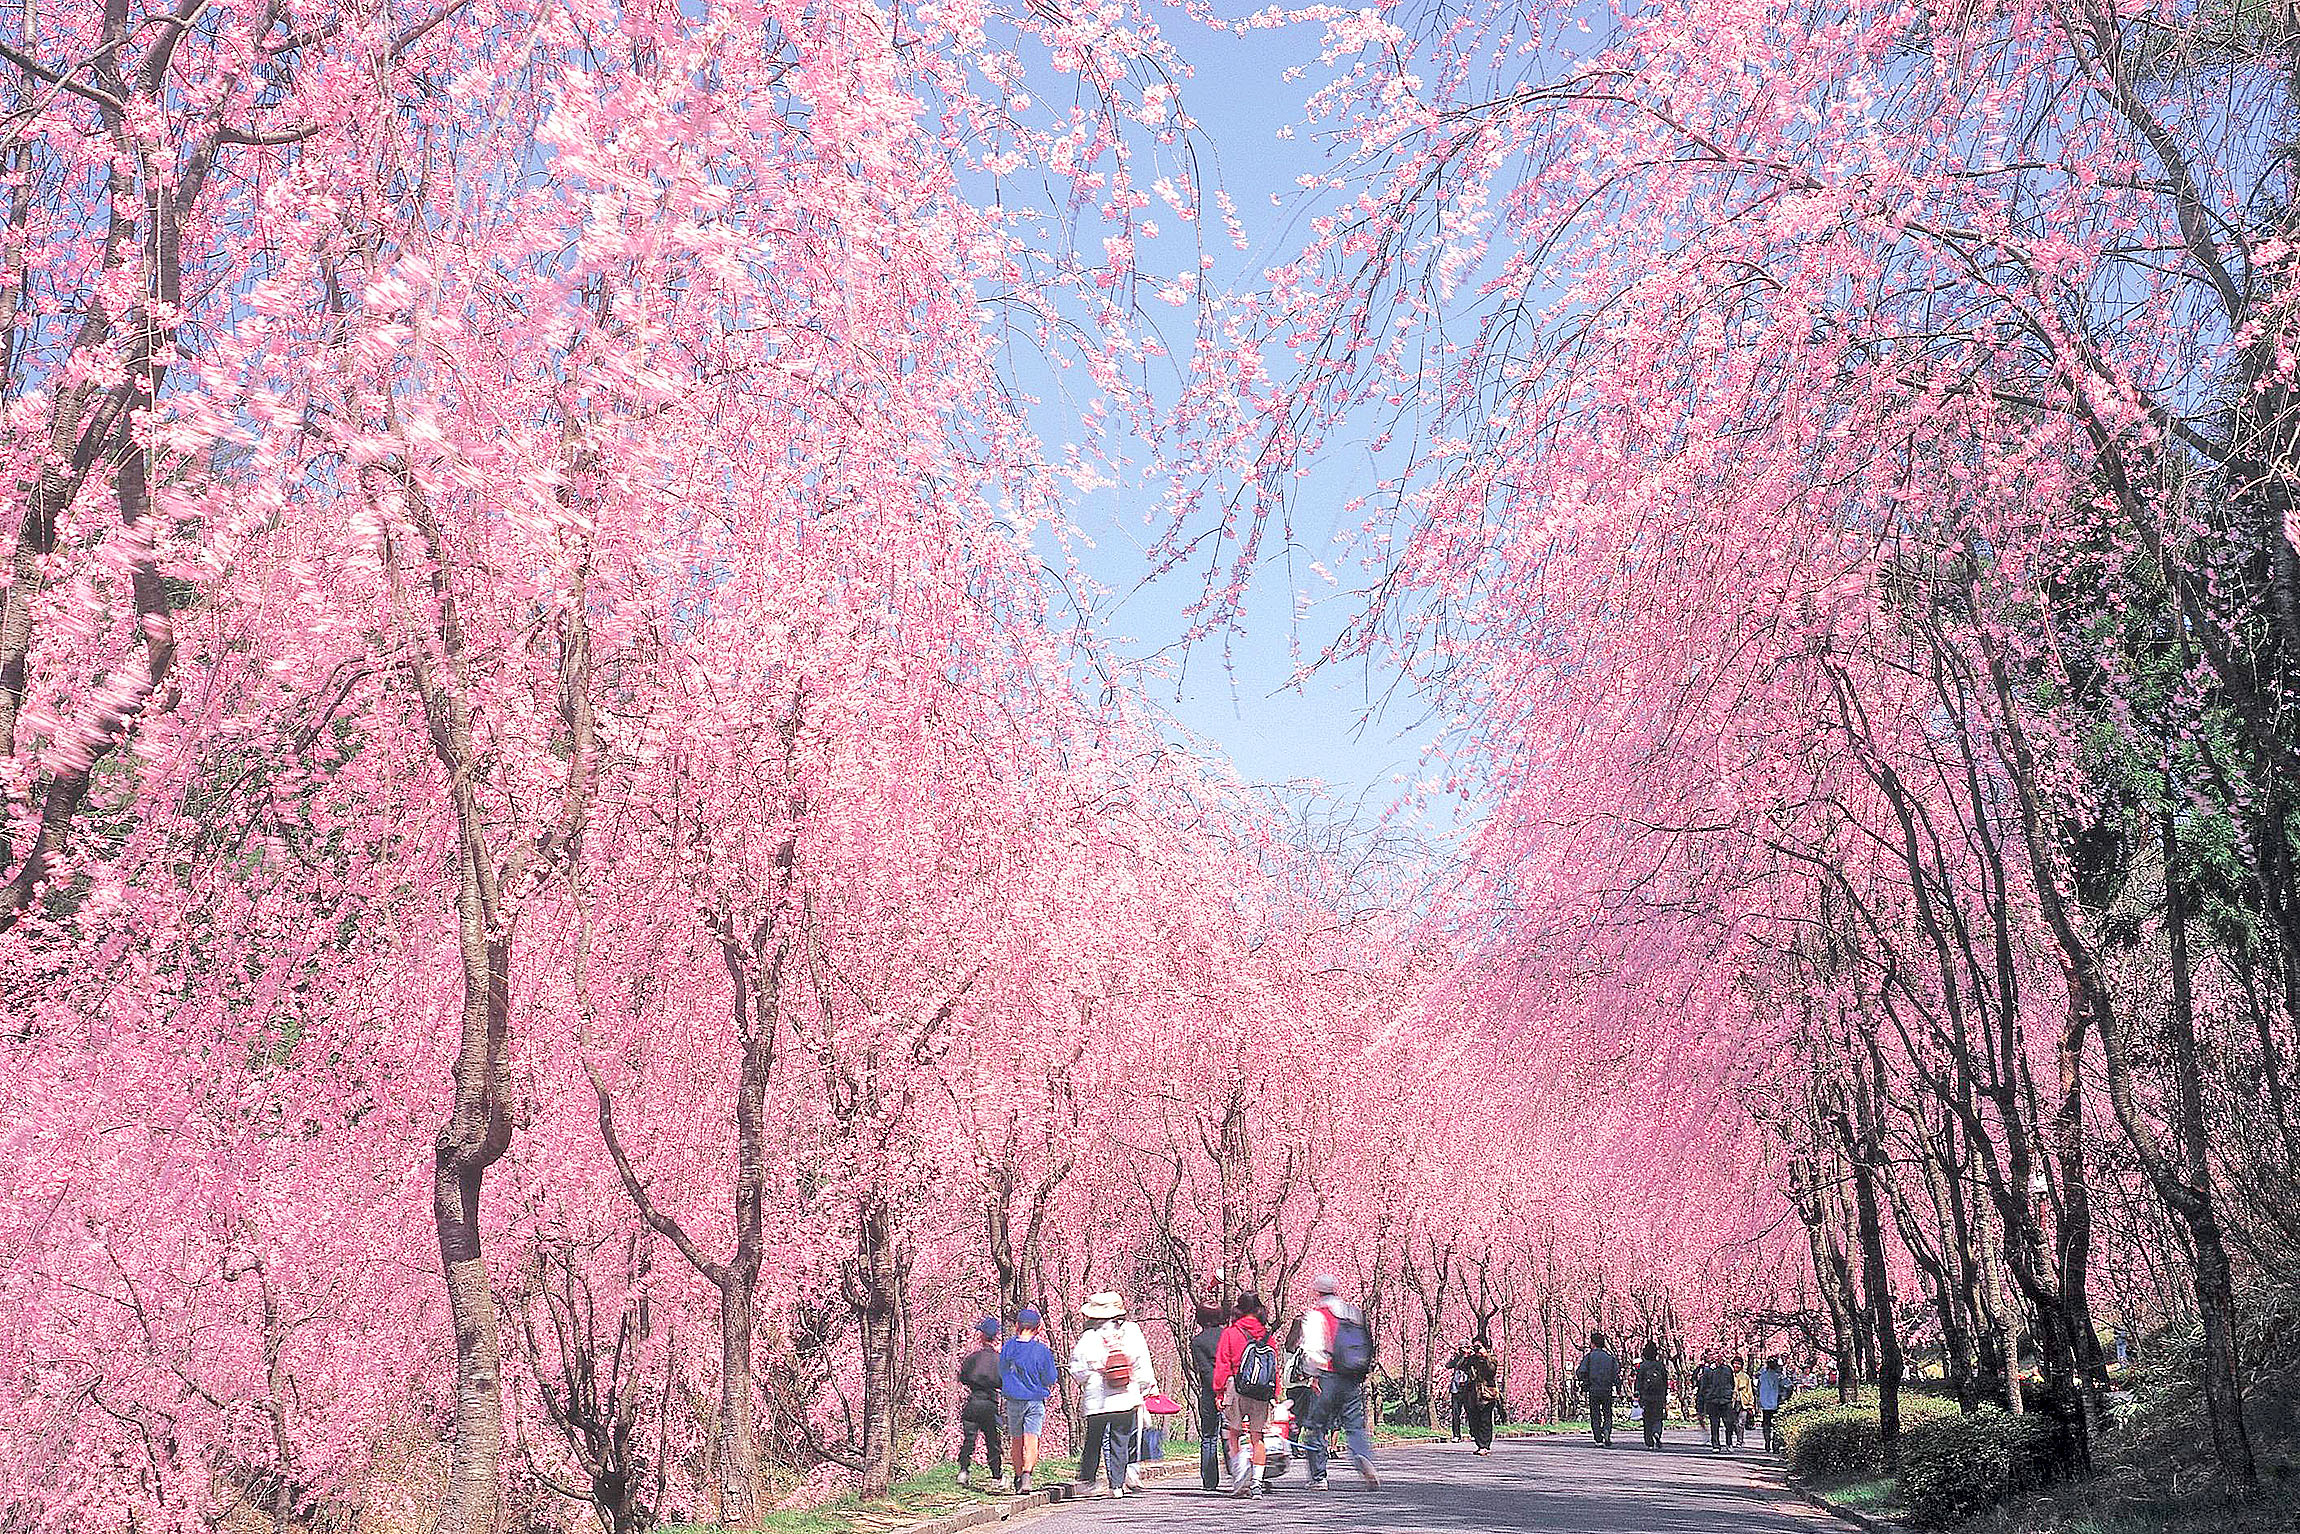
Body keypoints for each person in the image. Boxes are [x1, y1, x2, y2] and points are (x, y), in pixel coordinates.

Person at [1069, 1292, 1155, 1499]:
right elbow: (1142, 1362)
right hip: (1125, 1394)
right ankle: (1116, 1485)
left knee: (1094, 1439)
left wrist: (1091, 1376)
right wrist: (1143, 1386)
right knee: (1121, 1440)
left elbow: (1077, 1369)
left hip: (1097, 1398)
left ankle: (1087, 1480)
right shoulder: (1131, 1332)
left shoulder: (1089, 1337)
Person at [1299, 1274, 1381, 1489]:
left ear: (1317, 1292)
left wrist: (1312, 1374)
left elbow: (1312, 1350)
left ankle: (1318, 1477)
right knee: (1354, 1424)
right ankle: (1363, 1457)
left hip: (1327, 1376)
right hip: (1352, 1377)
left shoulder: (1316, 1315)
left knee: (1316, 1426)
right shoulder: (1352, 1313)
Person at [1212, 1292, 1279, 1496]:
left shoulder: (1231, 1333)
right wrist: (1275, 1393)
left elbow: (1222, 1363)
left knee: (1234, 1432)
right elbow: (1274, 1367)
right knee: (1257, 1437)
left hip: (1235, 1387)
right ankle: (1257, 1482)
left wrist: (1219, 1391)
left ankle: (1241, 1475)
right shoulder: (1267, 1335)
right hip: (1261, 1391)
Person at [999, 1307, 1059, 1493]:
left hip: (1014, 1399)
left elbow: (1002, 1371)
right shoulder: (1041, 1351)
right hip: (1035, 1399)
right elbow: (1050, 1378)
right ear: (1038, 1328)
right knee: (1031, 1439)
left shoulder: (1008, 1347)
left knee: (1016, 1440)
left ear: (1017, 1326)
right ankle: (1027, 1476)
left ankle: (1018, 1477)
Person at [957, 1317, 1005, 1488]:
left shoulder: (972, 1358)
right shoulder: (1000, 1360)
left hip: (974, 1400)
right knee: (992, 1439)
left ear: (982, 1336)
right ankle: (996, 1475)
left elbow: (963, 1377)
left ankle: (964, 1470)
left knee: (969, 1438)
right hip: (991, 1402)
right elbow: (1003, 1382)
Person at [1190, 1301, 1227, 1491]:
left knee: (1209, 1436)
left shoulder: (1198, 1342)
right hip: (1232, 1389)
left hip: (1209, 1390)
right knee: (1233, 1434)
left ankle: (1210, 1481)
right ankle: (1238, 1474)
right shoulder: (1228, 1335)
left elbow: (1205, 1370)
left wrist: (1215, 1391)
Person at [1457, 1332, 1501, 1455]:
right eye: (1475, 1346)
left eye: (1479, 1347)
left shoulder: (1491, 1357)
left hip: (1487, 1393)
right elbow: (1459, 1367)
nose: (1476, 1349)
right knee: (1473, 1420)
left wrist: (1485, 1356)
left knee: (1485, 1420)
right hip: (1472, 1394)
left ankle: (1484, 1445)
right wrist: (1465, 1356)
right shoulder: (1472, 1358)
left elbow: (1491, 1371)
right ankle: (1479, 1443)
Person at [1574, 1330, 1621, 1448]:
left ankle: (1598, 1438)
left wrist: (1585, 1381)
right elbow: (1616, 1374)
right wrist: (1618, 1388)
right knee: (1607, 1413)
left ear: (1593, 1344)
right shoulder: (1610, 1358)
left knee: (1595, 1414)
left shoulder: (1589, 1357)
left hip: (1593, 1389)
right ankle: (1606, 1430)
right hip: (1607, 1389)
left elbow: (1581, 1371)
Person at [1632, 1340, 1669, 1449]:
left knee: (1647, 1419)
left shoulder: (1642, 1366)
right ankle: (1657, 1432)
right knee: (1658, 1417)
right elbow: (1665, 1381)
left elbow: (1638, 1381)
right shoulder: (1660, 1365)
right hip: (1658, 1395)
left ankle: (1649, 1442)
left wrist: (1637, 1393)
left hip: (1646, 1396)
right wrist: (1664, 1394)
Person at [1694, 1351, 1734, 1451]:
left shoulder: (1728, 1369)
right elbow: (1704, 1386)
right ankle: (1715, 1444)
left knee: (1728, 1423)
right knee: (1714, 1423)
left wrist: (1729, 1393)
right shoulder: (1708, 1370)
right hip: (1713, 1399)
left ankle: (1729, 1443)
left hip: (1725, 1399)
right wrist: (1705, 1397)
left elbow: (1732, 1383)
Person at [1756, 1355, 1789, 1454]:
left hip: (1765, 1403)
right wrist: (1784, 1397)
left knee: (1766, 1424)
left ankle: (1767, 1443)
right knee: (1776, 1425)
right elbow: (1789, 1386)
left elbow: (1758, 1389)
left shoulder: (1763, 1376)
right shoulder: (1779, 1376)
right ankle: (1775, 1445)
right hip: (1776, 1403)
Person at [1729, 1356, 1756, 1449]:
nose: (1736, 1365)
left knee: (1741, 1422)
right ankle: (1732, 1439)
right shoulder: (1729, 1375)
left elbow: (1750, 1391)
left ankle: (1740, 1440)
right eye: (1735, 1363)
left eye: (1739, 1364)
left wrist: (1751, 1404)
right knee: (1732, 1422)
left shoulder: (1745, 1377)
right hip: (1732, 1402)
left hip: (1743, 1402)